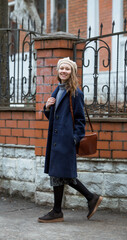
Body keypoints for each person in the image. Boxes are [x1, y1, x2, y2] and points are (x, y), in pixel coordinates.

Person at [38, 57, 103, 223]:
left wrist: (74, 139)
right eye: (61, 68)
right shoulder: (56, 90)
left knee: (63, 174)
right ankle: (80, 202)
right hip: (55, 140)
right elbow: (54, 116)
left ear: (72, 72)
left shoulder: (76, 92)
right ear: (58, 71)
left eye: (67, 69)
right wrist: (47, 107)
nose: (64, 71)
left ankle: (64, 208)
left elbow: (80, 120)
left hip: (66, 140)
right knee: (59, 174)